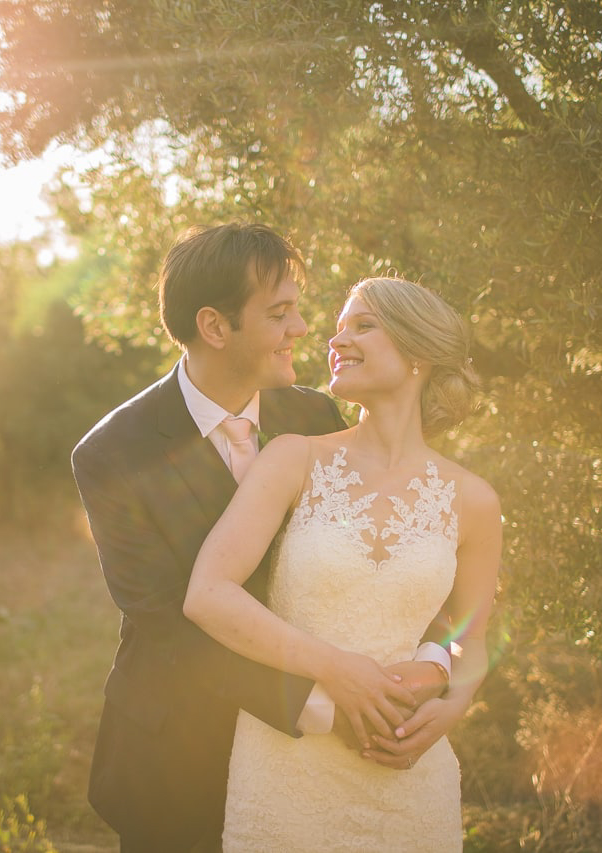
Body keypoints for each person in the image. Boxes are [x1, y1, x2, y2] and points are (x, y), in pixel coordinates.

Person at [72, 227, 461, 852]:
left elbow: (395, 554)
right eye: (280, 313)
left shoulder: (312, 416)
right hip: (181, 750)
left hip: (324, 764)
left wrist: (435, 665)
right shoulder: (112, 454)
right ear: (215, 327)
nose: (303, 329)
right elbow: (169, 619)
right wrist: (332, 707)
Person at [184, 276, 503, 851]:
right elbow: (208, 594)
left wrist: (454, 705)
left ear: (419, 354)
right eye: (337, 328)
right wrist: (336, 669)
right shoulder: (294, 459)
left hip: (410, 780)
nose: (337, 339)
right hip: (286, 773)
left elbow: (470, 638)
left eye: (363, 325)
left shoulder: (474, 500)